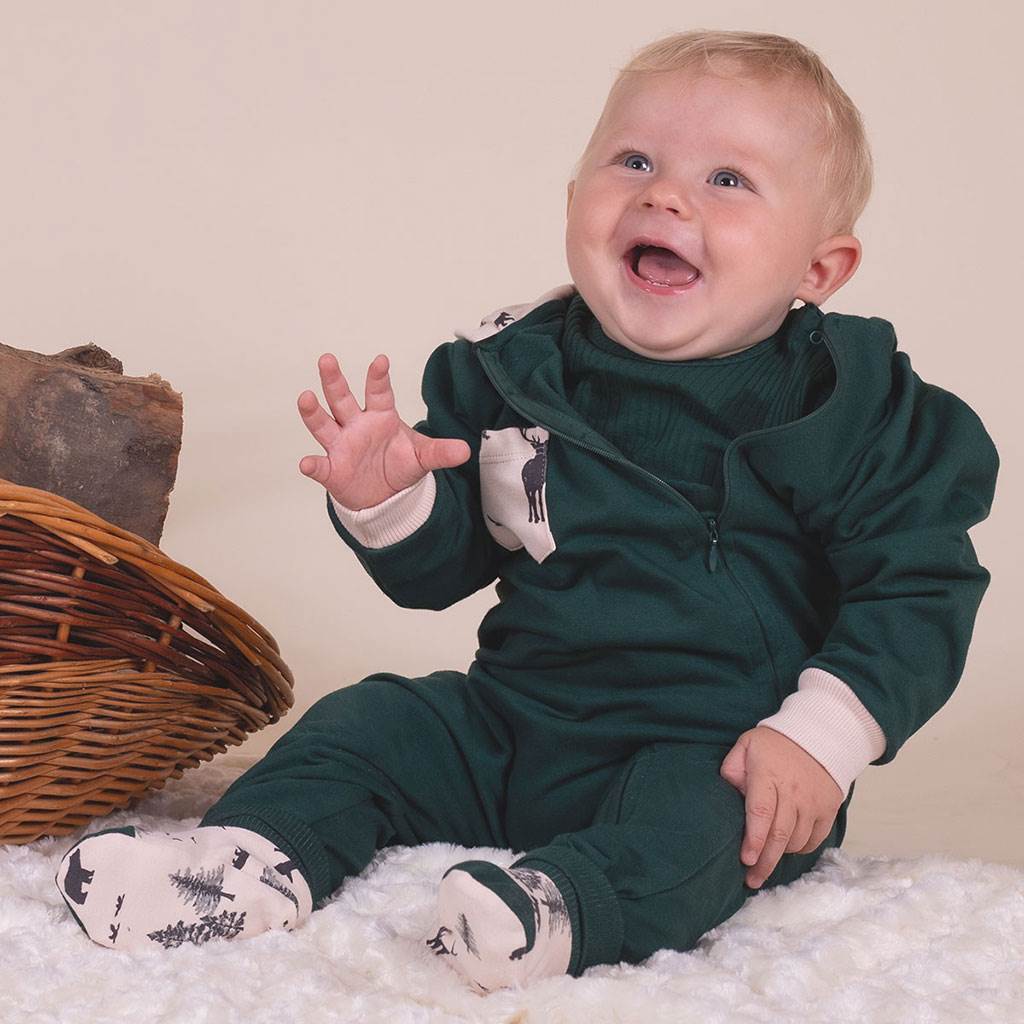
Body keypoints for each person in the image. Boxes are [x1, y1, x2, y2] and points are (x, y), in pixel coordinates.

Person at [54, 29, 999, 994]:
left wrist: (817, 741)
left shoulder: (850, 407)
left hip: (719, 749)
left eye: (728, 180)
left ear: (819, 271)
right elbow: (441, 571)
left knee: (709, 829)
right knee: (371, 720)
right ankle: (243, 865)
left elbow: (917, 589)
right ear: (574, 198)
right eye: (634, 161)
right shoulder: (511, 369)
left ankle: (558, 912)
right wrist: (392, 498)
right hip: (517, 723)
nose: (666, 196)